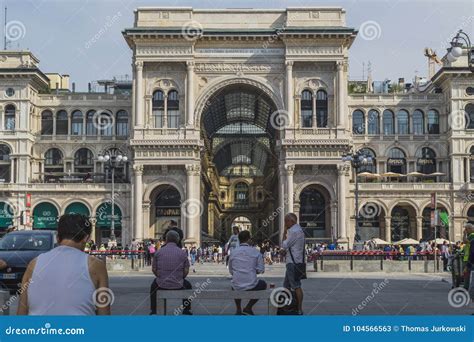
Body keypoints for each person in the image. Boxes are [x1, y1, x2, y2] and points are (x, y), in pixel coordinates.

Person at [17, 214, 110, 315]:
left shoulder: (34, 263)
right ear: (86, 238)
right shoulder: (96, 266)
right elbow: (104, 315)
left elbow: (21, 314)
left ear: (57, 237)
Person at [150, 230, 192, 315]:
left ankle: (154, 310)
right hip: (179, 284)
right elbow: (186, 270)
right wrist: (181, 277)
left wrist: (160, 277)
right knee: (188, 285)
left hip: (161, 284)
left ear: (166, 240)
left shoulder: (158, 252)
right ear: (177, 240)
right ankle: (186, 309)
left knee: (153, 287)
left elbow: (154, 269)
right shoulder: (182, 253)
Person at [228, 230, 266, 315]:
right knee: (263, 284)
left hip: (237, 285)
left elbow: (231, 271)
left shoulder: (233, 253)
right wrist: (251, 270)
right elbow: (261, 270)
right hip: (252, 285)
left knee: (235, 283)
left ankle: (238, 309)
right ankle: (248, 307)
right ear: (248, 239)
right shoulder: (256, 252)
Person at [281, 213, 305, 315]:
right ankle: (287, 306)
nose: (285, 223)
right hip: (296, 261)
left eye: (286, 221)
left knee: (296, 286)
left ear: (292, 221)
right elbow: (292, 246)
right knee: (286, 285)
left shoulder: (294, 231)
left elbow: (285, 244)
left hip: (293, 263)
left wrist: (284, 233)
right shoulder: (299, 230)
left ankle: (299, 309)